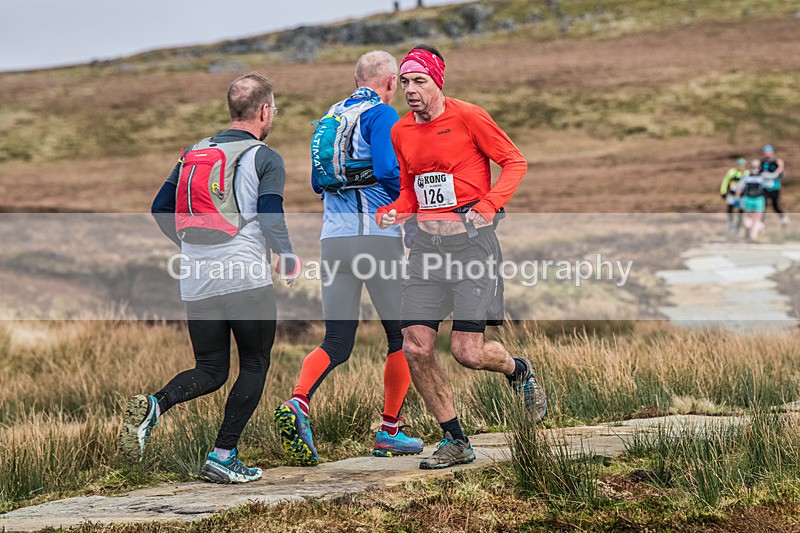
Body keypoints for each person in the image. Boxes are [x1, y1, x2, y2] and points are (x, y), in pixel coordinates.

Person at [119, 73, 298, 484]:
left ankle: (156, 404)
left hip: (197, 277)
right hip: (244, 275)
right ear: (265, 111)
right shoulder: (264, 157)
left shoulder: (193, 152)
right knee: (254, 362)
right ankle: (223, 454)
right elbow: (271, 214)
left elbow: (160, 207)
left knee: (211, 368)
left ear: (232, 108)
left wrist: (188, 248)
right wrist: (286, 256)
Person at [376, 45, 547, 470]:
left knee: (467, 352)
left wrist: (489, 206)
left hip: (471, 249)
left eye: (420, 81)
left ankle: (517, 369)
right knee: (415, 347)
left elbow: (514, 161)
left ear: (438, 82)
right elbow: (411, 189)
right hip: (425, 252)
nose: (410, 90)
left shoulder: (469, 116)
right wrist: (398, 210)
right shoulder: (400, 131)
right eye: (405, 82)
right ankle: (454, 439)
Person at [274, 51, 423, 466]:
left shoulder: (330, 118)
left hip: (333, 241)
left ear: (356, 78)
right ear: (391, 83)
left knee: (336, 342)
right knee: (404, 337)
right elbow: (390, 169)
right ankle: (389, 431)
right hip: (377, 239)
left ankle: (298, 402)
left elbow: (316, 183)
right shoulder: (381, 115)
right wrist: (406, 212)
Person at [738, 159, 766, 241]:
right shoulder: (746, 177)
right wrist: (738, 196)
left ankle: (754, 236)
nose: (755, 169)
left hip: (759, 199)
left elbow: (775, 179)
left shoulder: (762, 177)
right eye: (753, 167)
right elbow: (739, 188)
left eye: (757, 167)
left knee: (757, 218)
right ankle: (754, 229)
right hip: (748, 199)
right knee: (746, 219)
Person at [760, 145, 788, 226]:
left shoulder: (777, 161)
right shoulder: (762, 162)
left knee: (775, 205)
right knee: (763, 205)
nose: (767, 153)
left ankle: (783, 218)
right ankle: (761, 222)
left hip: (774, 187)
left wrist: (780, 167)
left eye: (768, 151)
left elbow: (781, 174)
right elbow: (760, 173)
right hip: (764, 187)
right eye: (766, 152)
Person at [720, 158, 746, 235]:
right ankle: (731, 224)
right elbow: (725, 182)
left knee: (741, 212)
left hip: (742, 196)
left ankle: (738, 227)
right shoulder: (731, 172)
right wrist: (723, 192)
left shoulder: (747, 173)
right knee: (730, 209)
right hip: (732, 195)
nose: (740, 167)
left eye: (742, 165)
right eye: (739, 165)